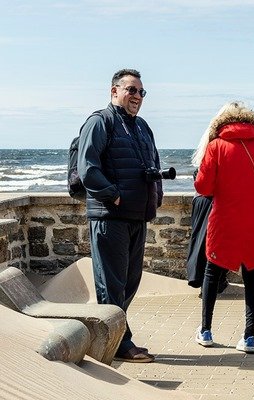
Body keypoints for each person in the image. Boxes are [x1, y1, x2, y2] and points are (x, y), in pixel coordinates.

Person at [78, 68, 163, 363]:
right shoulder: (100, 122)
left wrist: (156, 195)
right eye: (131, 90)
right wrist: (112, 194)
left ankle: (116, 337)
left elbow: (153, 163)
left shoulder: (142, 127)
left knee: (129, 282)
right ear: (114, 91)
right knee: (111, 284)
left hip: (136, 216)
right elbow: (88, 168)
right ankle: (118, 344)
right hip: (110, 216)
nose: (137, 96)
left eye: (141, 91)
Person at [193, 101, 254, 354]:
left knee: (212, 272)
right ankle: (249, 337)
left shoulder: (216, 145)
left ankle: (206, 331)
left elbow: (203, 187)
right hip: (252, 220)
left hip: (224, 220)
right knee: (251, 276)